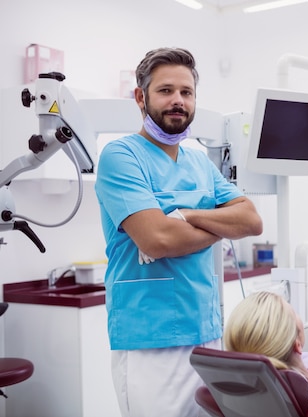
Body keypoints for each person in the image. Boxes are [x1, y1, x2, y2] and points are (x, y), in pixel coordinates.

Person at [94, 47, 263, 417]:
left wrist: (184, 216)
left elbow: (251, 220)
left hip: (205, 331)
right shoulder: (121, 157)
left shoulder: (199, 162)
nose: (178, 101)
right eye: (166, 90)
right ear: (141, 97)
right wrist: (217, 225)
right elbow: (158, 239)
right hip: (148, 340)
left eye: (186, 93)